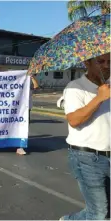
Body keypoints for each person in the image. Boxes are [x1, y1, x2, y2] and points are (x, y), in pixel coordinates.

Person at [60, 53, 110, 220]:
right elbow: (74, 120)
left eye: (110, 61)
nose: (106, 65)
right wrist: (99, 98)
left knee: (105, 211)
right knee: (99, 213)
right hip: (87, 157)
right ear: (87, 63)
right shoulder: (75, 87)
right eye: (101, 61)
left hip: (108, 155)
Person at [16, 74, 39, 155]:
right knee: (17, 127)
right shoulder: (17, 88)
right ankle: (16, 144)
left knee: (24, 128)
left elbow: (36, 86)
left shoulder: (28, 88)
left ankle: (20, 147)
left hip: (26, 110)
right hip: (17, 110)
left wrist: (32, 77)